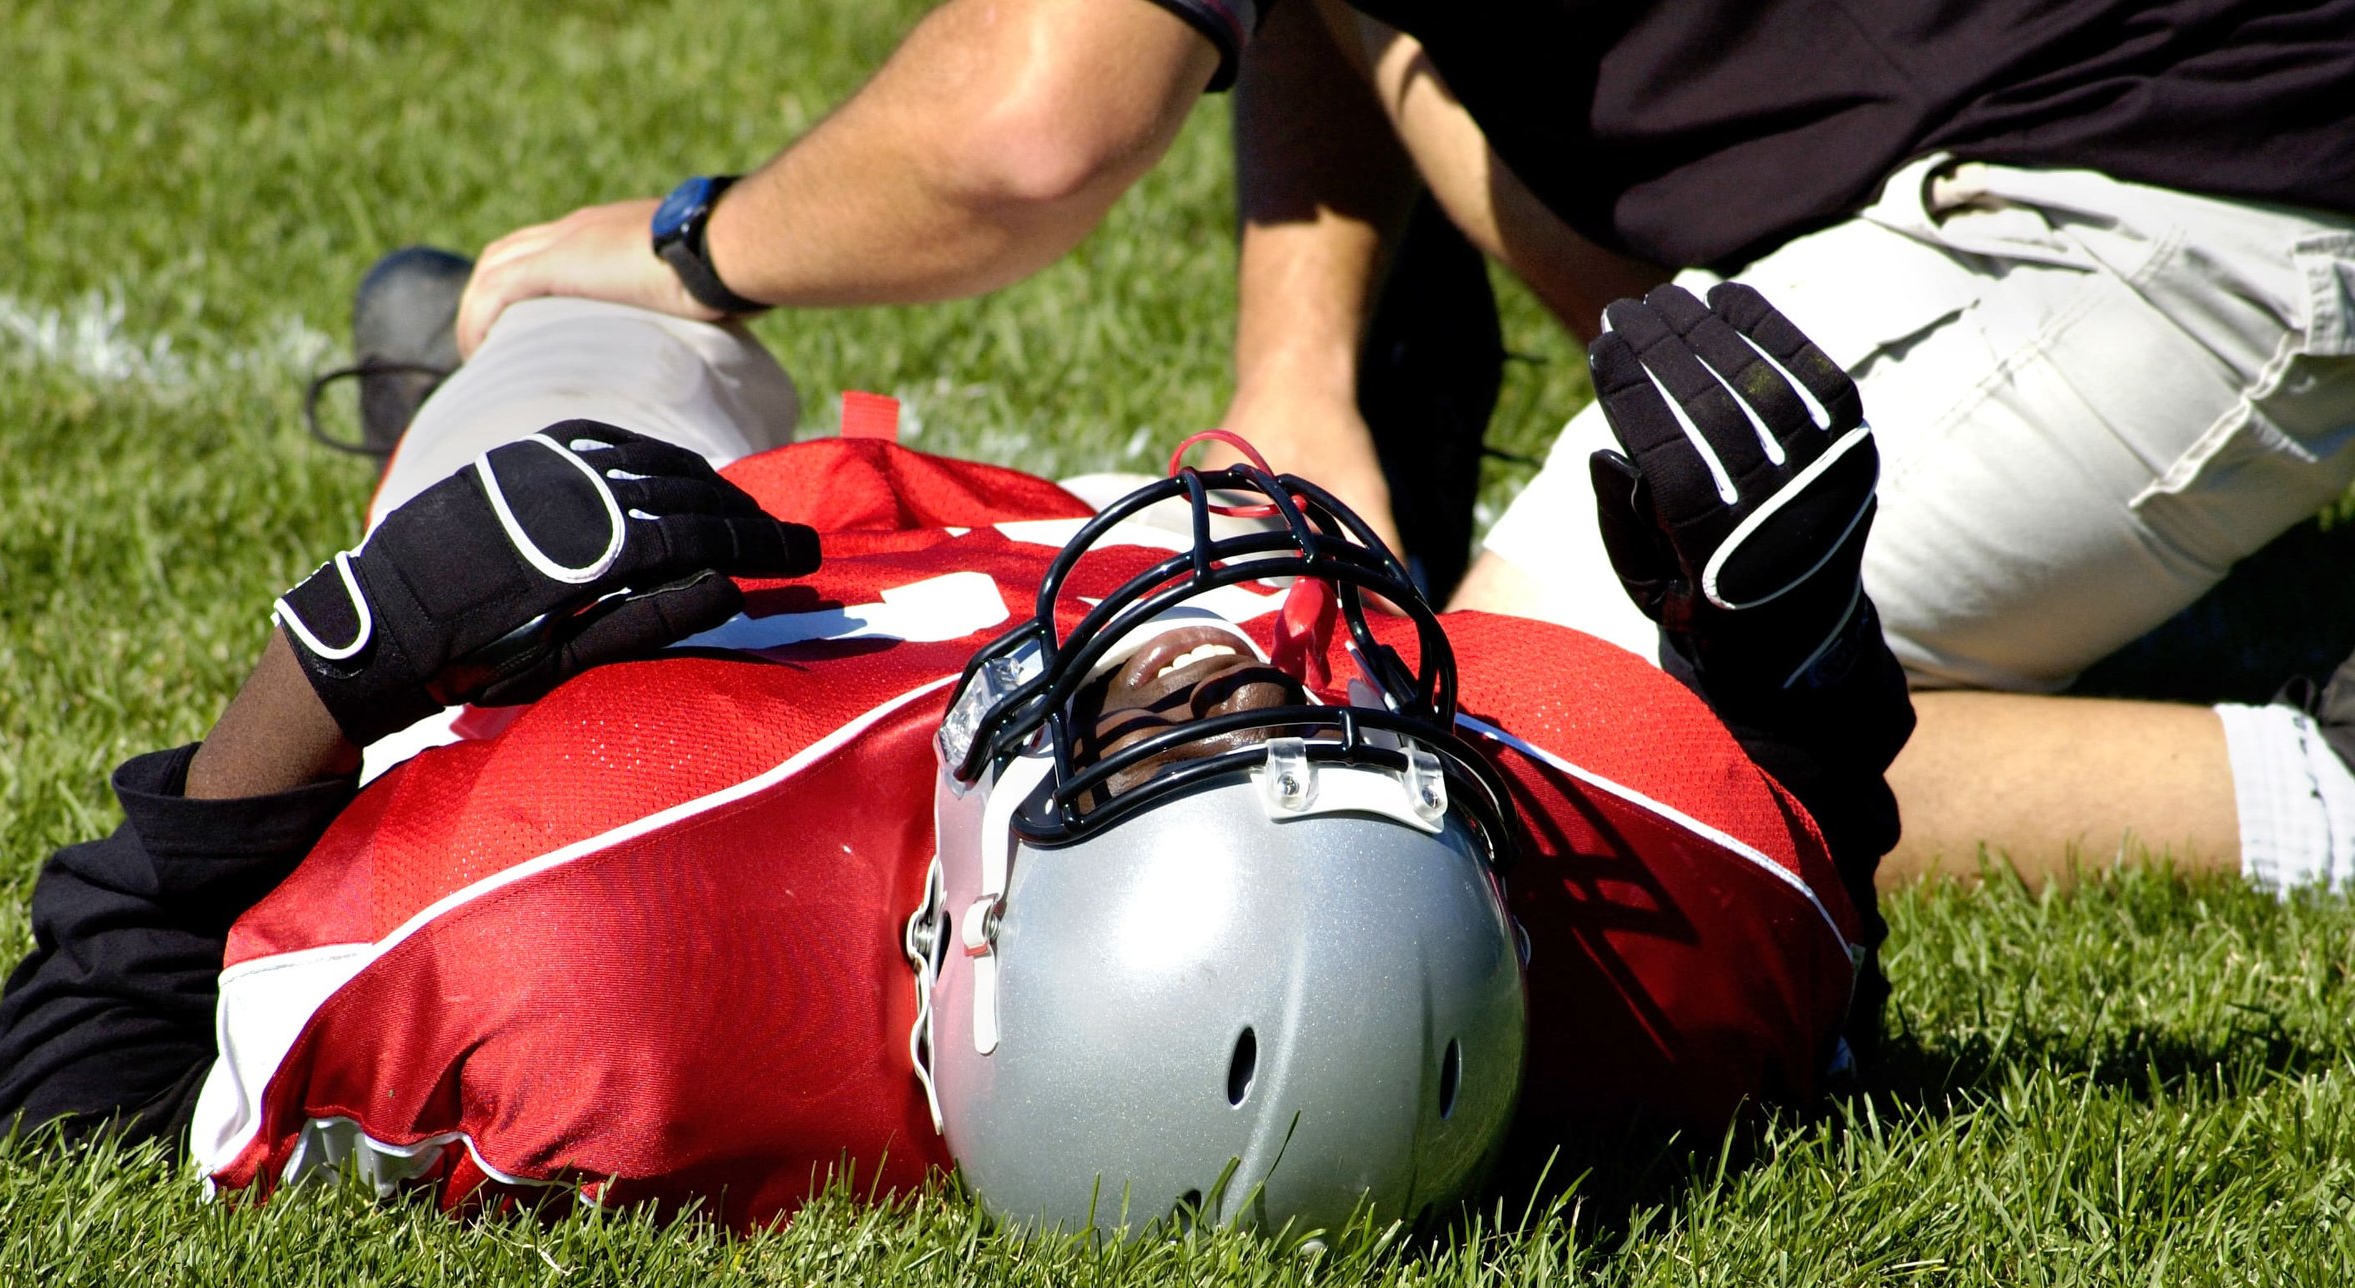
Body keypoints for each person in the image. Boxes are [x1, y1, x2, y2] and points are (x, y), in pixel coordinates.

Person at [0, 284, 1910, 1231]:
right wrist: (1795, 636)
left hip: (707, 581)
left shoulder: (588, 939)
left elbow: (74, 1095)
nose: (1250, 668)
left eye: (1165, 728)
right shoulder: (1520, 924)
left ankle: (487, 341)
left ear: (970, 946)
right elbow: (1797, 929)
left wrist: (357, 641)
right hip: (1064, 560)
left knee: (610, 349)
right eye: (1309, 725)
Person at [407, 0, 2355, 896]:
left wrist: (681, 247)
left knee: (1539, 751)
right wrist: (1298, 378)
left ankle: (2316, 792)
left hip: (2150, 197)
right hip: (2128, 150)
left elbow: (1021, 129)